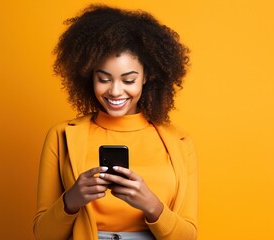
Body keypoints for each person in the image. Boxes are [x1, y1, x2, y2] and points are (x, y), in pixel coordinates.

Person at [33, 4, 198, 240]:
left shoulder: (180, 142)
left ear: (147, 77)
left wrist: (152, 206)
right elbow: (43, 235)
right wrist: (72, 200)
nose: (115, 91)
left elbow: (189, 236)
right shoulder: (62, 136)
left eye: (129, 80)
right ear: (89, 75)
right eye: (104, 79)